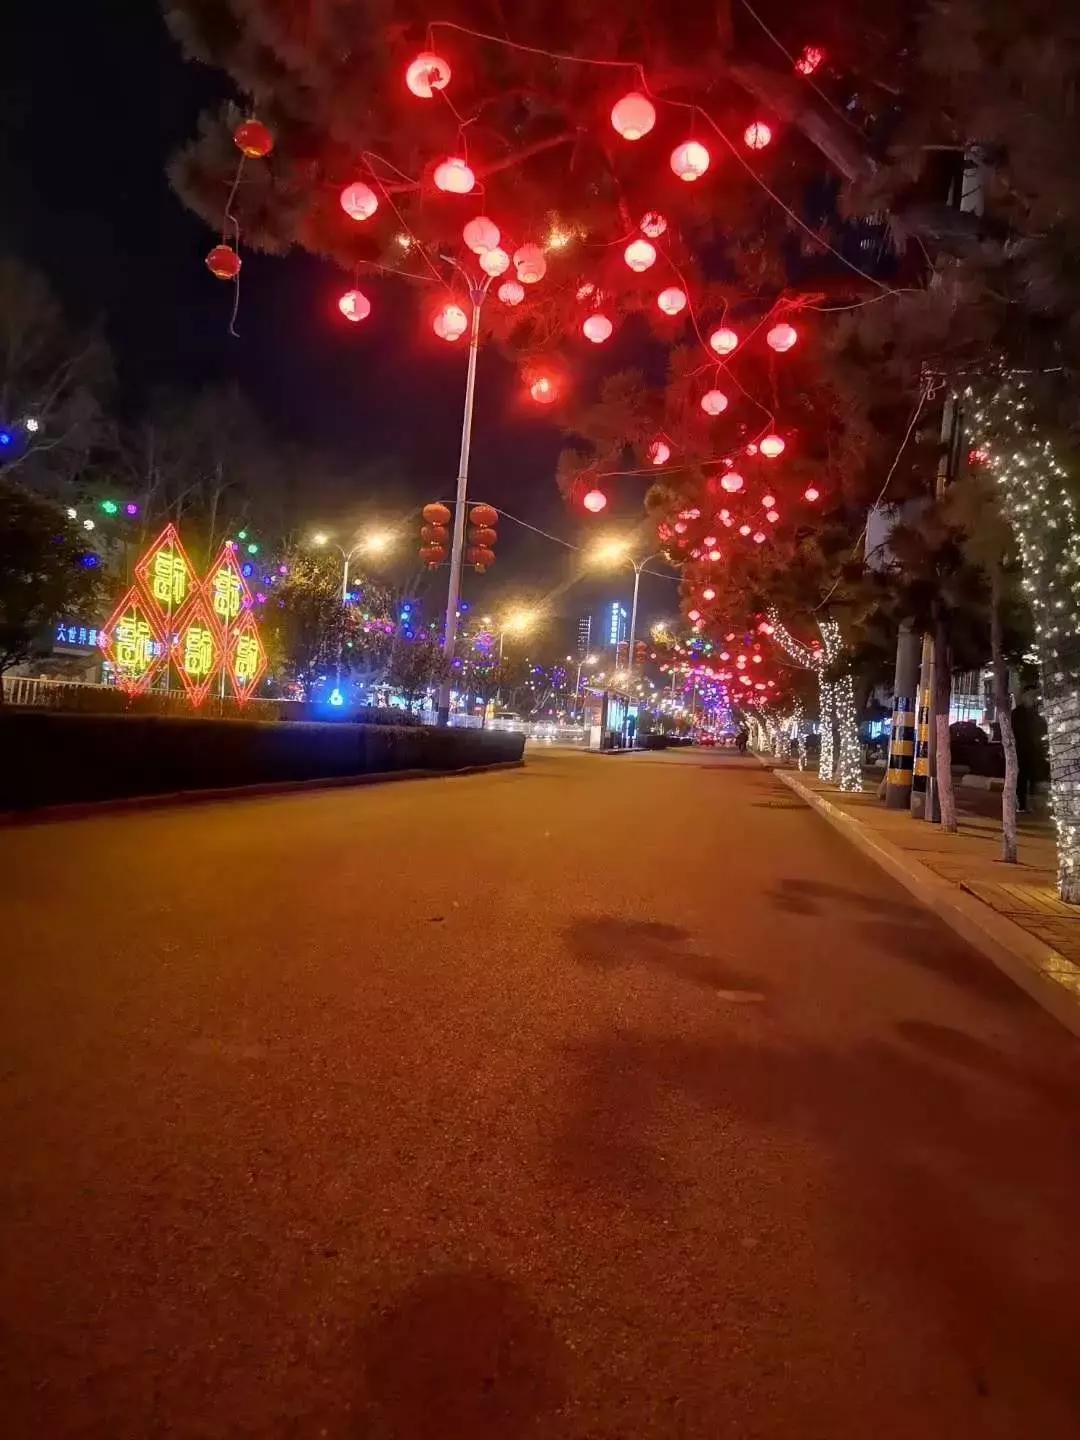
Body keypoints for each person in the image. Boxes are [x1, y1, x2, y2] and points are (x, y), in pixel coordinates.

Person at [1011, 686, 1047, 813]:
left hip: (1034, 751)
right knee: (1022, 777)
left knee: (1032, 777)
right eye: (1030, 695)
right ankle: (1021, 804)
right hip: (1021, 750)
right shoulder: (1018, 713)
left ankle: (1030, 804)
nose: (1033, 698)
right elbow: (1018, 731)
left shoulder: (1036, 712)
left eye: (1034, 695)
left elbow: (1041, 728)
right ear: (1024, 696)